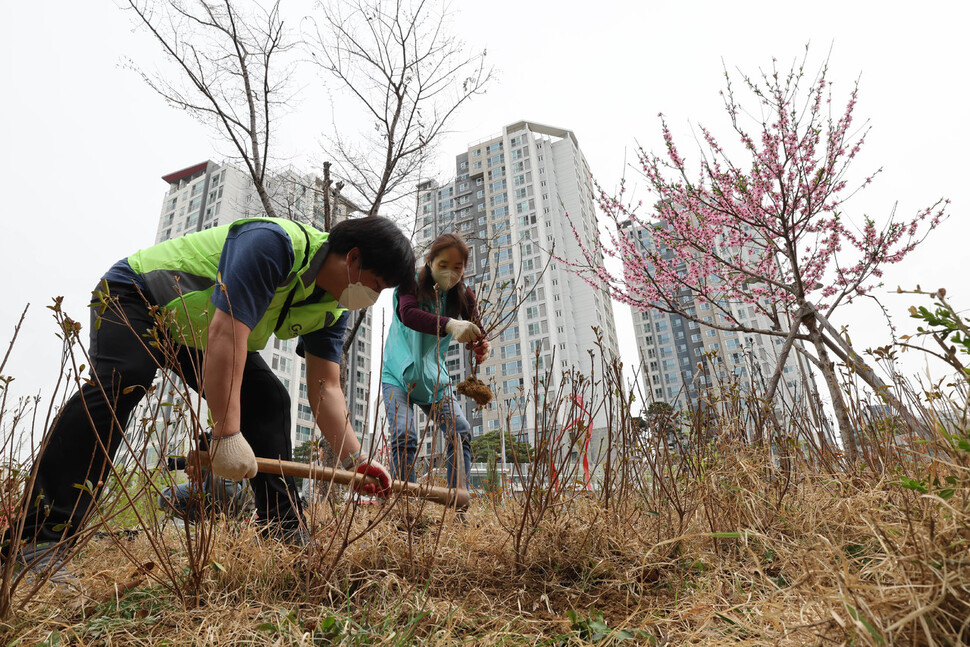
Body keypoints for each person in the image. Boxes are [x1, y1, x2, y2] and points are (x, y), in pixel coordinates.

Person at [19, 216, 411, 562]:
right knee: (122, 383)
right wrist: (226, 433)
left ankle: (283, 531)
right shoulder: (274, 244)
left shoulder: (333, 309)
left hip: (195, 331)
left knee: (270, 399)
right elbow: (227, 333)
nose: (372, 299)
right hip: (139, 295)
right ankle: (39, 538)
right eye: (375, 285)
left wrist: (355, 460)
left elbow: (326, 387)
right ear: (354, 258)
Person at [381, 233, 491, 490]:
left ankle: (458, 503)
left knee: (460, 432)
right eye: (443, 265)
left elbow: (477, 330)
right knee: (404, 434)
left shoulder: (463, 294)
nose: (450, 274)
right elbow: (408, 314)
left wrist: (481, 345)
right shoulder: (411, 282)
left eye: (458, 267)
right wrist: (449, 324)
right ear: (430, 262)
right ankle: (403, 507)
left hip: (435, 381)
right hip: (398, 375)